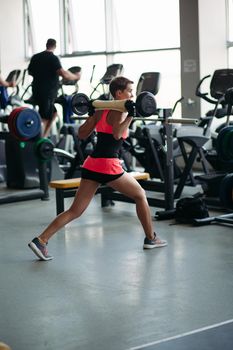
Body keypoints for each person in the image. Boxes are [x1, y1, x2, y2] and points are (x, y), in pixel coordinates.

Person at [28, 76, 167, 261]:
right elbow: (118, 134)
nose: (133, 95)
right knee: (140, 194)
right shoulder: (122, 111)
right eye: (130, 91)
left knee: (75, 211)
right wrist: (132, 115)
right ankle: (151, 238)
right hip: (108, 165)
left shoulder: (101, 108)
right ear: (119, 93)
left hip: (92, 163)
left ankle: (41, 240)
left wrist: (92, 115)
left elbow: (82, 133)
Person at [28, 38, 81, 137]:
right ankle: (37, 141)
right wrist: (76, 77)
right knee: (45, 118)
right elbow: (63, 74)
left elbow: (30, 72)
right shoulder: (53, 58)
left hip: (36, 90)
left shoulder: (35, 57)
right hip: (47, 93)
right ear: (55, 46)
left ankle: (43, 138)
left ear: (46, 44)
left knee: (53, 114)